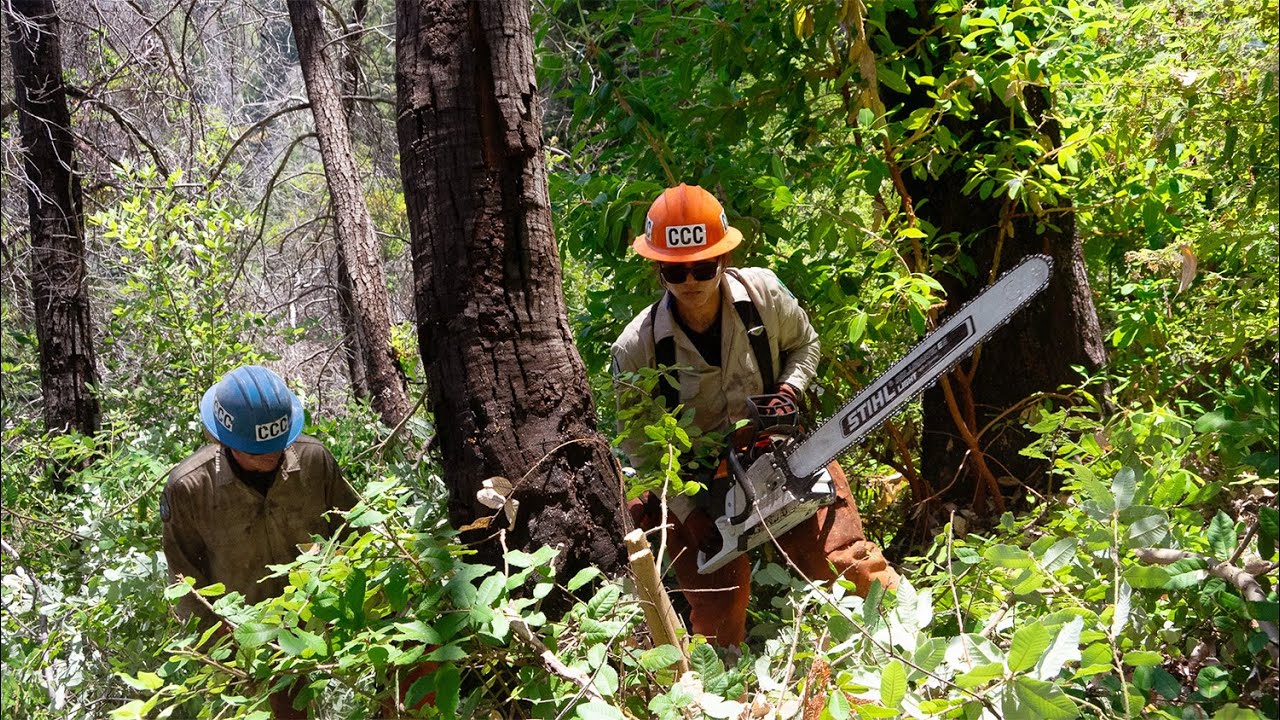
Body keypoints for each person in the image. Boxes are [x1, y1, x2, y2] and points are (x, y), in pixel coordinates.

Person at [611, 183, 899, 648]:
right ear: (658, 270)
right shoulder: (636, 346)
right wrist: (686, 513)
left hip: (776, 454)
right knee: (720, 605)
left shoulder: (762, 294)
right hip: (696, 480)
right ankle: (720, 694)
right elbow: (638, 445)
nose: (690, 283)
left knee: (845, 561)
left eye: (702, 268)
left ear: (722, 259)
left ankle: (901, 636)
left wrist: (789, 389)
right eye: (675, 271)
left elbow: (806, 345)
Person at [161, 364, 358, 718]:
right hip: (253, 636)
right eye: (258, 451)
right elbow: (184, 580)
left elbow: (358, 533)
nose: (271, 456)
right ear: (224, 439)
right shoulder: (189, 489)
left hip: (325, 615)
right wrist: (222, 645)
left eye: (279, 445)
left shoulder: (315, 461)